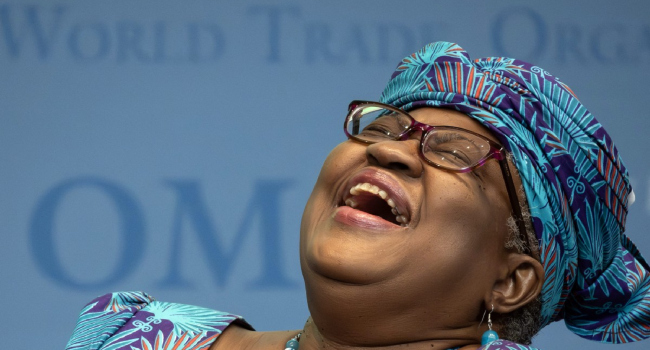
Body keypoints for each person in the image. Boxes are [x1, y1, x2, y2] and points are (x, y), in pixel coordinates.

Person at [65, 42, 650, 350]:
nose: (392, 151)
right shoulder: (133, 339)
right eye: (384, 126)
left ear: (512, 281)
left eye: (453, 152)